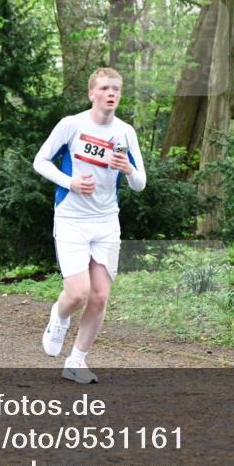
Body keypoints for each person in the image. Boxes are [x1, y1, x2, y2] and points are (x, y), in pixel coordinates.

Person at [33, 67, 146, 383]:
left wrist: (127, 169)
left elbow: (140, 183)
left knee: (99, 296)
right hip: (71, 219)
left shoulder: (125, 133)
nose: (112, 94)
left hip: (107, 222)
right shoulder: (72, 125)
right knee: (78, 293)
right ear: (92, 93)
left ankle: (77, 361)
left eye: (116, 89)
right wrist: (70, 182)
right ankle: (59, 316)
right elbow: (40, 161)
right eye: (105, 88)